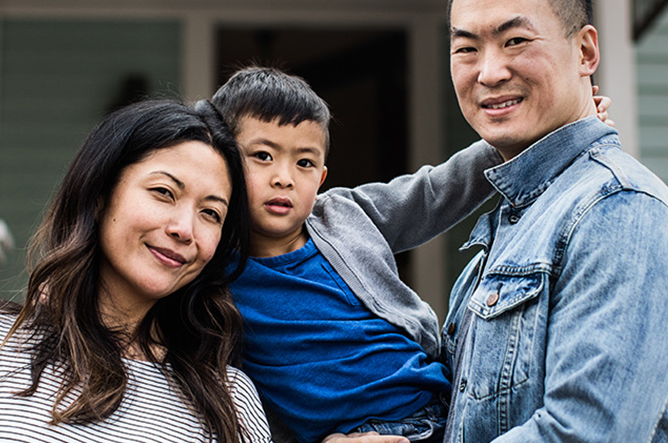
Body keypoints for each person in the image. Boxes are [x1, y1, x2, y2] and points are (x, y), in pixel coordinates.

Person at [207, 67, 610, 443]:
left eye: (305, 162)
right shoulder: (211, 277)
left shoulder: (344, 214)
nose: (284, 177)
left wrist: (542, 136)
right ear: (222, 161)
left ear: (322, 176)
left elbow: (433, 193)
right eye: (263, 156)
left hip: (447, 407)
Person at [438, 0, 668, 442]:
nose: (489, 71)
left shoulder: (620, 212)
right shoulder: (520, 216)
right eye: (466, 48)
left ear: (585, 52)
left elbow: (582, 434)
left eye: (515, 40)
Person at [0, 100, 272, 443]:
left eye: (211, 213)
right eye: (163, 192)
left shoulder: (231, 403)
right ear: (99, 195)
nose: (185, 229)